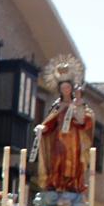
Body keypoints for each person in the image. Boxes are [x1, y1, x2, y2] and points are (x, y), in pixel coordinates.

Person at [35, 62, 94, 194]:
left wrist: (78, 110)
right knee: (57, 160)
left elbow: (86, 120)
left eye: (68, 87)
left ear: (71, 89)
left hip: (73, 140)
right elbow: (51, 122)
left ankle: (71, 184)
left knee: (72, 163)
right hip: (59, 138)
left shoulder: (77, 104)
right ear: (60, 89)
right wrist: (43, 128)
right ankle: (57, 183)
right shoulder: (57, 105)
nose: (65, 90)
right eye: (63, 88)